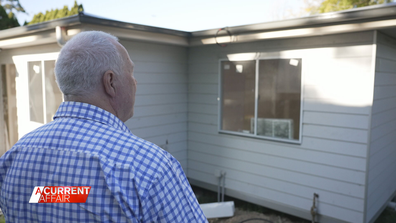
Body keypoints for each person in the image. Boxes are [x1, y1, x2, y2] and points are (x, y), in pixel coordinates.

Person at [0, 31, 208, 223]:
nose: (135, 82)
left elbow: (57, 196)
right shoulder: (149, 169)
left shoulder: (13, 158)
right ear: (110, 82)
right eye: (131, 73)